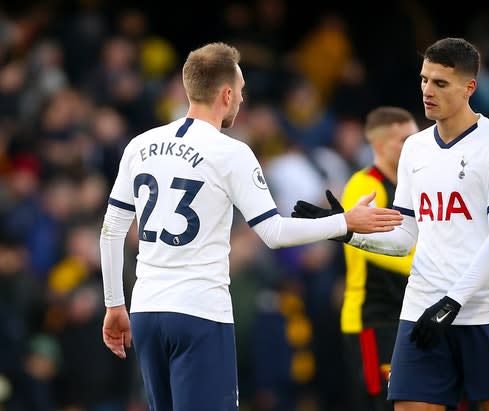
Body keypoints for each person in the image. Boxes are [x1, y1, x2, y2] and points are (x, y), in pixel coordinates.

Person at [98, 41, 403, 411]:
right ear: (226, 94)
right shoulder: (231, 152)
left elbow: (112, 230)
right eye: (241, 92)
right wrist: (345, 223)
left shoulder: (139, 144)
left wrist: (115, 304)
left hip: (146, 311)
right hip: (199, 312)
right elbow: (273, 233)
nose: (242, 101)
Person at [292, 37, 489, 411]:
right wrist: (343, 229)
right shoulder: (415, 149)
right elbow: (404, 236)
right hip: (421, 307)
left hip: (485, 308)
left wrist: (453, 301)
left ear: (470, 88)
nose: (427, 91)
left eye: (440, 83)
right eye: (423, 80)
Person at [340, 106, 418, 411]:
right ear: (380, 145)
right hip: (373, 318)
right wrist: (426, 267)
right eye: (405, 140)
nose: (414, 145)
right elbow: (362, 244)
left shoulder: (412, 188)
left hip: (409, 314)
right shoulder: (365, 186)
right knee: (383, 404)